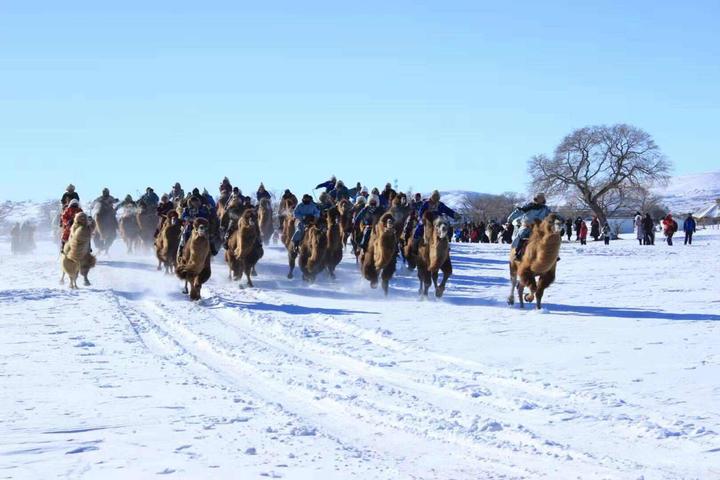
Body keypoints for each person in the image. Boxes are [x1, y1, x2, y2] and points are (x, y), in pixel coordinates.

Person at [507, 193, 551, 259]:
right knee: (520, 237)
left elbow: (551, 215)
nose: (541, 200)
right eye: (539, 198)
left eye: (542, 198)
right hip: (527, 227)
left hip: (539, 228)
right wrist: (510, 219)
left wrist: (558, 219)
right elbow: (519, 211)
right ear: (536, 199)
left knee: (548, 238)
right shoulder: (529, 206)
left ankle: (551, 254)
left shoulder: (545, 208)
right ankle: (517, 253)